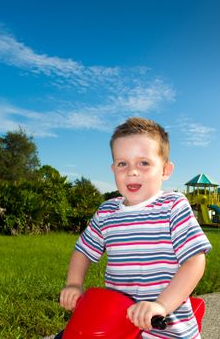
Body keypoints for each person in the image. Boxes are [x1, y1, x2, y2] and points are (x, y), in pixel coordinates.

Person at [59, 117, 211, 338]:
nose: (132, 171)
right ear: (113, 169)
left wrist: (161, 305)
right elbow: (83, 251)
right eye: (123, 164)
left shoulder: (173, 207)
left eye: (144, 163)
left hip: (165, 326)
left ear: (165, 170)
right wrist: (73, 284)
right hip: (117, 319)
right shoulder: (107, 212)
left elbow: (195, 260)